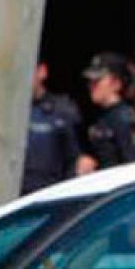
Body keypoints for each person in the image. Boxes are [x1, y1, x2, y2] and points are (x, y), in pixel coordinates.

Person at [22, 61, 85, 194]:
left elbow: (74, 159)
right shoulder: (9, 111)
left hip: (51, 193)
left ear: (42, 72)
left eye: (27, 71)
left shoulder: (62, 110)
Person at [77, 52, 135, 173]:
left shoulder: (126, 119)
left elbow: (134, 164)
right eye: (90, 82)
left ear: (116, 84)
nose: (91, 86)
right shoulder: (98, 116)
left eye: (97, 81)